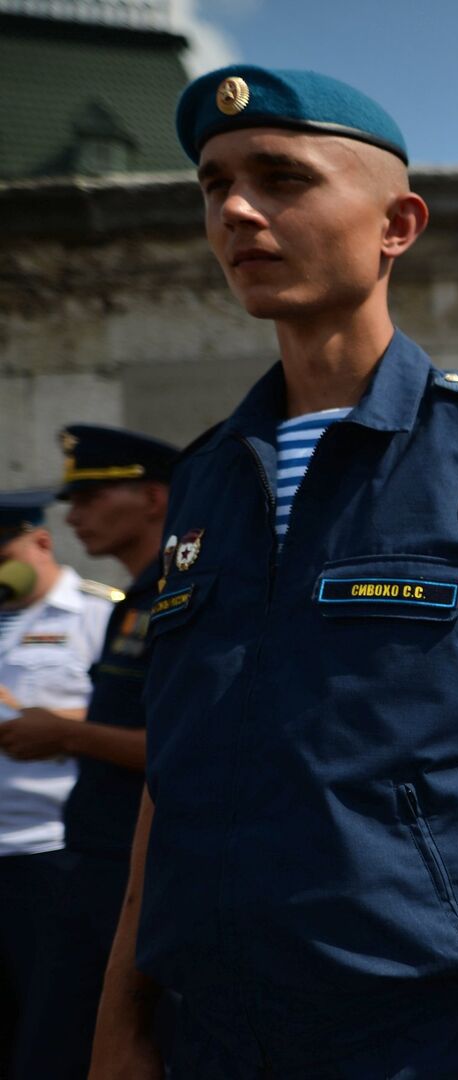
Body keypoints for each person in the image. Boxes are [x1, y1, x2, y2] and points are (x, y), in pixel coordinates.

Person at [90, 66, 458, 1077]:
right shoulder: (205, 475)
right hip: (205, 1025)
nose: (237, 210)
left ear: (399, 224)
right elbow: (174, 769)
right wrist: (122, 1017)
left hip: (416, 1033)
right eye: (213, 185)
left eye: (281, 179)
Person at [0, 427, 174, 1078]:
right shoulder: (138, 598)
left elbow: (178, 747)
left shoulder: (168, 599)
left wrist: (67, 734)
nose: (74, 516)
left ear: (154, 498)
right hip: (94, 859)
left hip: (123, 871)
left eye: (94, 499)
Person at [0, 489, 113, 1076]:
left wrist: (47, 726)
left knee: (53, 1036)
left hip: (50, 854)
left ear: (39, 543)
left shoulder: (100, 613)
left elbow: (136, 716)